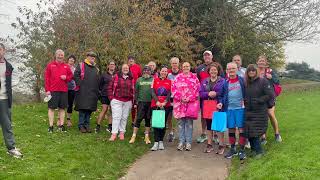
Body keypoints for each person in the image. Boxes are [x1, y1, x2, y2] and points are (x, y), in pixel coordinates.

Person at [217, 62, 246, 160]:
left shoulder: (242, 81)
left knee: (241, 129)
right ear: (227, 71)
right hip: (229, 109)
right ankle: (233, 149)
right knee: (231, 128)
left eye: (233, 68)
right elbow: (220, 96)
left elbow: (247, 93)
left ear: (237, 69)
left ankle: (242, 150)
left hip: (241, 109)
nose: (231, 71)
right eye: (229, 69)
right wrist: (220, 102)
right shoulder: (225, 83)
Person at [244, 64, 273, 158]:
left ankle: (259, 151)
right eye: (249, 70)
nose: (251, 72)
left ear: (256, 71)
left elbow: (269, 94)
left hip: (259, 110)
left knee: (255, 131)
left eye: (253, 70)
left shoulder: (262, 81)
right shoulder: (247, 82)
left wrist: (259, 100)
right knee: (249, 131)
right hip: (249, 110)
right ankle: (253, 150)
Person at [0, 43, 23, 158]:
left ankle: (11, 148)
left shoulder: (8, 66)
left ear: (4, 51)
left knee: (7, 124)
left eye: (0, 49)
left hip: (4, 99)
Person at [172, 62, 200, 151]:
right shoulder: (177, 78)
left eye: (187, 66)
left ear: (190, 67)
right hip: (179, 105)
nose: (186, 68)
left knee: (189, 124)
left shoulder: (194, 78)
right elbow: (173, 90)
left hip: (190, 105)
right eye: (184, 66)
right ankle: (181, 142)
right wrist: (180, 98)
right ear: (182, 67)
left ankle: (188, 142)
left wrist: (189, 99)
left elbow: (198, 91)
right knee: (180, 124)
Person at [44, 49, 73, 133]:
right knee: (51, 108)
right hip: (53, 90)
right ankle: (51, 126)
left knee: (62, 108)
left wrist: (66, 78)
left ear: (63, 56)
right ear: (55, 55)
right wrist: (47, 90)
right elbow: (47, 78)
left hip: (63, 90)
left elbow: (71, 76)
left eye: (62, 55)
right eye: (59, 54)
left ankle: (61, 126)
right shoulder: (50, 65)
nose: (60, 56)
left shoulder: (66, 66)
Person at [200, 63, 225, 154]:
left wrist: (217, 95)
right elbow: (200, 93)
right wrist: (208, 94)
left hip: (218, 105)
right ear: (209, 71)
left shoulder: (222, 81)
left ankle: (221, 145)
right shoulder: (204, 81)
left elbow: (224, 93)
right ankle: (209, 144)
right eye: (211, 70)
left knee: (219, 126)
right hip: (207, 105)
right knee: (209, 125)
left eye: (215, 70)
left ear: (218, 71)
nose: (213, 71)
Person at [256, 55, 282, 143]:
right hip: (259, 97)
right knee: (261, 116)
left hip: (270, 97)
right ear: (257, 62)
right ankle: (263, 137)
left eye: (263, 61)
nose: (261, 62)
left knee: (270, 114)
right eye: (260, 61)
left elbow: (277, 81)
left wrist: (272, 78)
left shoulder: (270, 71)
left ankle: (277, 134)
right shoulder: (255, 72)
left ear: (266, 63)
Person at [74, 51, 100, 133]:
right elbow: (76, 75)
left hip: (92, 92)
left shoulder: (96, 68)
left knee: (89, 109)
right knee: (82, 109)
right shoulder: (81, 65)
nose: (93, 57)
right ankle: (81, 125)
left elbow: (98, 80)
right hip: (83, 91)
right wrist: (80, 84)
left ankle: (87, 125)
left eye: (94, 56)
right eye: (91, 56)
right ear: (87, 56)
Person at [108, 64, 134, 141]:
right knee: (116, 116)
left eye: (127, 68)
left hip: (127, 101)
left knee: (124, 117)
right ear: (121, 69)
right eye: (124, 68)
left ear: (129, 69)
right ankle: (114, 133)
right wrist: (111, 98)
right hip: (117, 100)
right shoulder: (116, 77)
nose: (125, 69)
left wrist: (133, 101)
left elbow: (133, 90)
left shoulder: (131, 78)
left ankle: (122, 132)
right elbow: (110, 87)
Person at [129, 66, 153, 144]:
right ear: (142, 72)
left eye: (148, 71)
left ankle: (147, 136)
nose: (146, 72)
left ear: (150, 72)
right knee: (138, 119)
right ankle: (133, 135)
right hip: (141, 102)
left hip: (150, 102)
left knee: (148, 119)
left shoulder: (153, 79)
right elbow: (136, 92)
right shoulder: (139, 80)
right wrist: (135, 102)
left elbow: (155, 91)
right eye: (145, 71)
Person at [150, 65, 171, 151]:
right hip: (156, 104)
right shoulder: (154, 80)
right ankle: (156, 142)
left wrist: (165, 102)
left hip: (165, 105)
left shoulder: (170, 81)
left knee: (162, 124)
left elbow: (170, 93)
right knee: (156, 124)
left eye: (166, 71)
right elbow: (152, 92)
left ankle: (161, 141)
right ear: (160, 72)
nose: (164, 73)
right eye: (163, 71)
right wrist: (157, 101)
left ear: (167, 73)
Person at [95, 61, 116, 133]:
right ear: (108, 66)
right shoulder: (104, 75)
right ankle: (98, 126)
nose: (112, 66)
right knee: (104, 109)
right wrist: (101, 93)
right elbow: (100, 85)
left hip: (113, 96)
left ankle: (110, 126)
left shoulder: (116, 75)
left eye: (113, 64)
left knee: (112, 110)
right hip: (105, 95)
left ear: (115, 66)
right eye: (110, 64)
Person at [167, 57, 182, 142]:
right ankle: (171, 132)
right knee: (169, 116)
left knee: (178, 117)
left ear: (178, 64)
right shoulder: (168, 73)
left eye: (176, 63)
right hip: (170, 98)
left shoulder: (181, 73)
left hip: (178, 98)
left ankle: (180, 133)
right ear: (171, 64)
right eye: (173, 63)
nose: (174, 65)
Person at [128, 56, 142, 127]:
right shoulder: (126, 67)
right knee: (129, 105)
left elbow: (140, 76)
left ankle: (134, 121)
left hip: (136, 88)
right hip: (128, 89)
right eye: (129, 60)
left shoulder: (137, 67)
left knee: (135, 105)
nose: (131, 61)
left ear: (134, 61)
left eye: (132, 60)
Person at [66, 55, 77, 127]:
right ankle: (58, 119)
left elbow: (76, 78)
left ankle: (68, 120)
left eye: (73, 60)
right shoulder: (64, 67)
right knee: (62, 104)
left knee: (70, 105)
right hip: (64, 88)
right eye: (70, 59)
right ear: (68, 60)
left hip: (72, 88)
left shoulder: (75, 69)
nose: (71, 61)